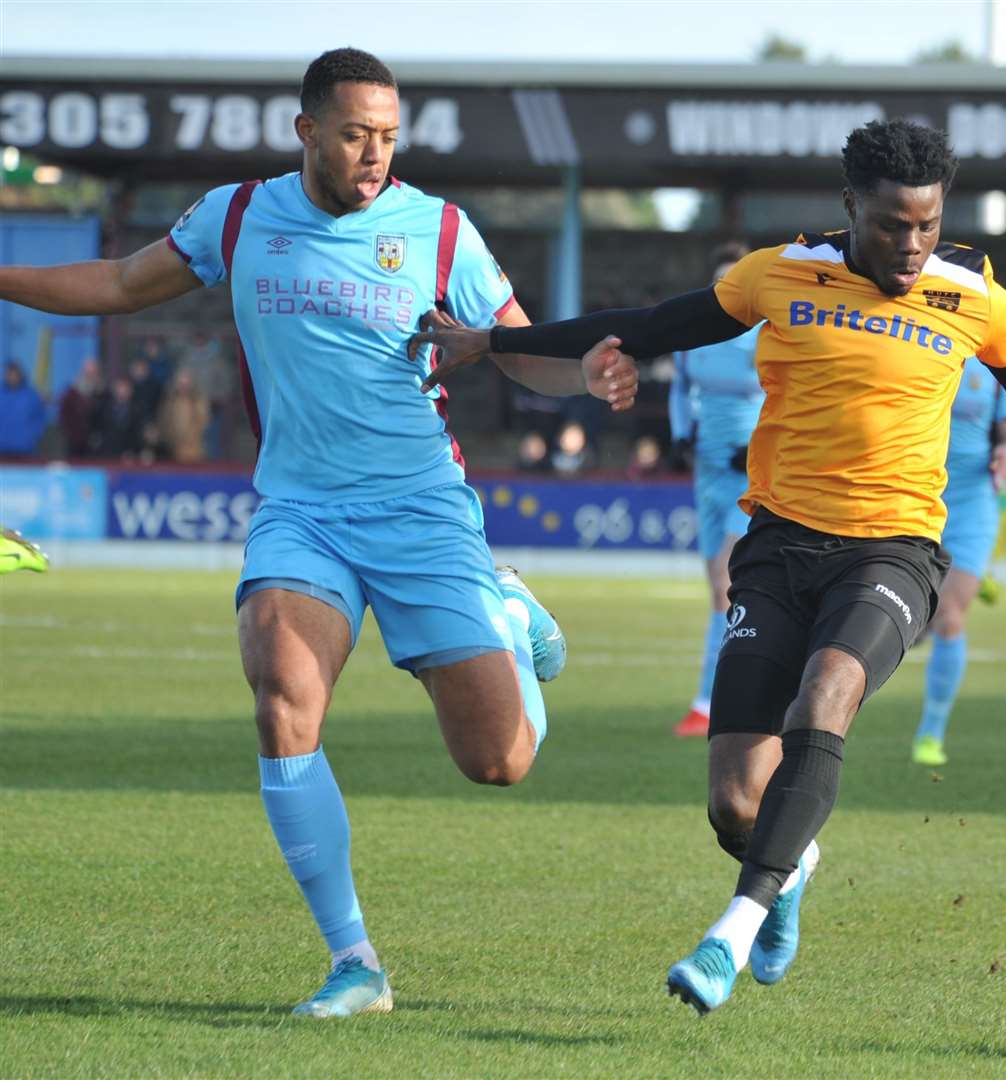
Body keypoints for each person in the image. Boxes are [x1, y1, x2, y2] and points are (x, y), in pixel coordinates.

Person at [410, 118, 1006, 1018]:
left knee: (826, 696)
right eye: (892, 225)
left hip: (896, 554)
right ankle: (790, 867)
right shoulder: (778, 274)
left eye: (926, 224)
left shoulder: (974, 298)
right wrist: (489, 343)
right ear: (852, 208)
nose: (912, 246)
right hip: (776, 550)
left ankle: (728, 932)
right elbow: (650, 327)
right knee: (735, 803)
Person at [0, 47, 638, 1019]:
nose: (374, 154)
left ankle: (502, 609)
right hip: (301, 511)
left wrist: (581, 373)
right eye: (354, 135)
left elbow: (516, 348)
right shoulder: (241, 215)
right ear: (307, 132)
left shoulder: (440, 231)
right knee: (282, 698)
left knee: (499, 761)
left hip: (423, 512)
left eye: (388, 136)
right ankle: (356, 964)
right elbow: (122, 286)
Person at [668, 242, 764, 737]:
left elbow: (786, 395)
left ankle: (710, 703)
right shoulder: (698, 337)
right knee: (718, 596)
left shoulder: (766, 334)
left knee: (730, 585)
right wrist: (682, 435)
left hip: (754, 473)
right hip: (708, 472)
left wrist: (755, 447)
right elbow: (679, 389)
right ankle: (717, 700)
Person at [910, 357, 1006, 767]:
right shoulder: (911, 341)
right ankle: (976, 575)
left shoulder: (994, 362)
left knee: (948, 614)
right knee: (915, 621)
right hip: (912, 497)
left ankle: (930, 733)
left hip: (971, 502)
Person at [0, 361, 47, 457]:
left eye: (15, 374)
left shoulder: (31, 395)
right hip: (2, 449)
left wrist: (32, 437)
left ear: (20, 375)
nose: (12, 377)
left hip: (25, 449)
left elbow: (40, 419)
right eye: (9, 374)